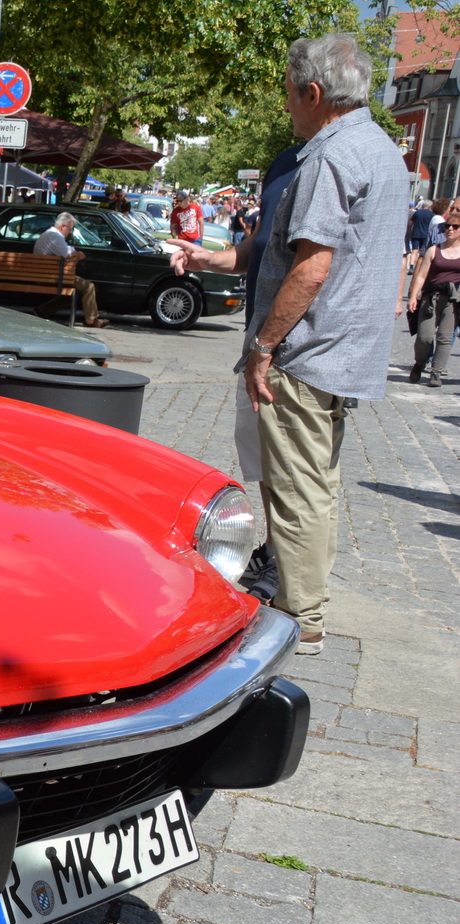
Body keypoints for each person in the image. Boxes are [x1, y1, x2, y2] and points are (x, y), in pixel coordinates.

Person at [173, 34, 403, 656]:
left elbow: (312, 266)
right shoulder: (380, 149)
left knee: (294, 490)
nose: (285, 108)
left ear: (314, 93)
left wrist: (263, 347)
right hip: (343, 349)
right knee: (316, 486)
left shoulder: (330, 156)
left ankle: (299, 617)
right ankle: (305, 603)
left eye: (288, 95)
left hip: (307, 350)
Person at [402, 206, 460, 387]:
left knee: (445, 336)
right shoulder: (433, 250)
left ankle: (436, 372)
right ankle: (419, 363)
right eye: (447, 226)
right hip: (430, 298)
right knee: (424, 337)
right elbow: (421, 275)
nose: (450, 229)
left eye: (455, 227)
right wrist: (413, 296)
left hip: (452, 300)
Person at [31, 212, 105, 327]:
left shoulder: (48, 234)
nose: (70, 232)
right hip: (51, 276)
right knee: (88, 286)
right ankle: (91, 319)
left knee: (71, 294)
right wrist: (79, 254)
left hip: (43, 274)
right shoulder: (55, 237)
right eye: (70, 229)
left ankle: (41, 311)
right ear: (63, 227)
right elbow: (70, 254)